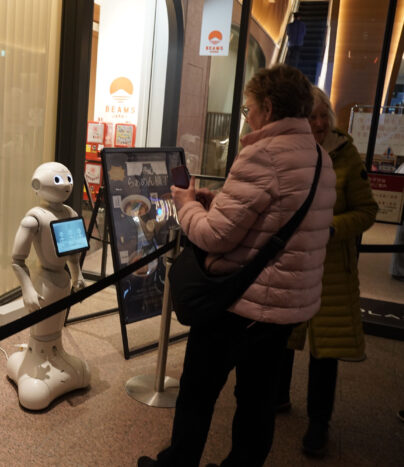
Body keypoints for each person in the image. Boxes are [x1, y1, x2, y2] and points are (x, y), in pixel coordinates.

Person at [138, 64, 336, 467]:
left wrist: (187, 205)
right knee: (257, 398)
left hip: (240, 302)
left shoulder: (264, 154)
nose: (247, 117)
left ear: (268, 107)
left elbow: (213, 237)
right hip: (285, 305)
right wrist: (218, 204)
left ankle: (178, 463)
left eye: (248, 109)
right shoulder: (319, 159)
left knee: (198, 389)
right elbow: (271, 220)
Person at [277, 86, 378, 457]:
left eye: (324, 116)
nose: (319, 123)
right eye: (311, 116)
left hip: (331, 267)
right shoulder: (289, 151)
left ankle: (319, 423)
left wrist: (331, 227)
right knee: (283, 335)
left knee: (326, 349)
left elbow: (367, 211)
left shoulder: (346, 154)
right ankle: (278, 396)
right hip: (292, 261)